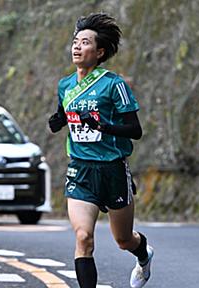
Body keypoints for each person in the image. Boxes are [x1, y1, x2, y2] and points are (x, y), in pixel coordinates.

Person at [48, 13, 153, 288]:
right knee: (83, 237)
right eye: (75, 42)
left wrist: (103, 126)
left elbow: (135, 130)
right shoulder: (65, 85)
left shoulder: (113, 84)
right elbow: (64, 114)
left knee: (123, 240)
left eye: (85, 42)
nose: (77, 47)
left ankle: (143, 254)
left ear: (100, 51)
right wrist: (57, 121)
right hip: (80, 169)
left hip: (113, 168)